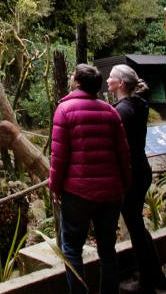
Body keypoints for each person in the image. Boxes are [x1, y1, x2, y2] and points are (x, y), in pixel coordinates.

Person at [49, 63, 132, 294]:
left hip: (77, 193)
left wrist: (54, 187)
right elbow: (123, 154)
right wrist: (125, 185)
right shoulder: (111, 112)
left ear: (77, 82)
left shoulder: (64, 111)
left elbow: (59, 156)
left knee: (72, 249)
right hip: (111, 193)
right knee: (108, 249)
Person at [107, 64, 166, 293]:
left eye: (111, 78)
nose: (107, 80)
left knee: (135, 226)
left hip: (131, 173)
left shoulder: (123, 111)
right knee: (137, 225)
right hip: (140, 170)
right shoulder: (137, 105)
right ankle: (155, 276)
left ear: (121, 83)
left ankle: (147, 281)